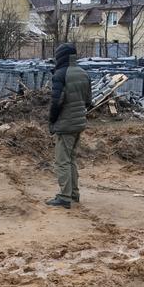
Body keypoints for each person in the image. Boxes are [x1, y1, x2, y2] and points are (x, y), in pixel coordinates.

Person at [46, 42, 91, 209]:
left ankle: (64, 197)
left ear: (61, 56)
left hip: (65, 124)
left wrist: (52, 121)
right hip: (79, 123)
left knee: (62, 161)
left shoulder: (61, 74)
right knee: (71, 159)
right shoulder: (83, 73)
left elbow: (56, 102)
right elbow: (88, 101)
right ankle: (74, 193)